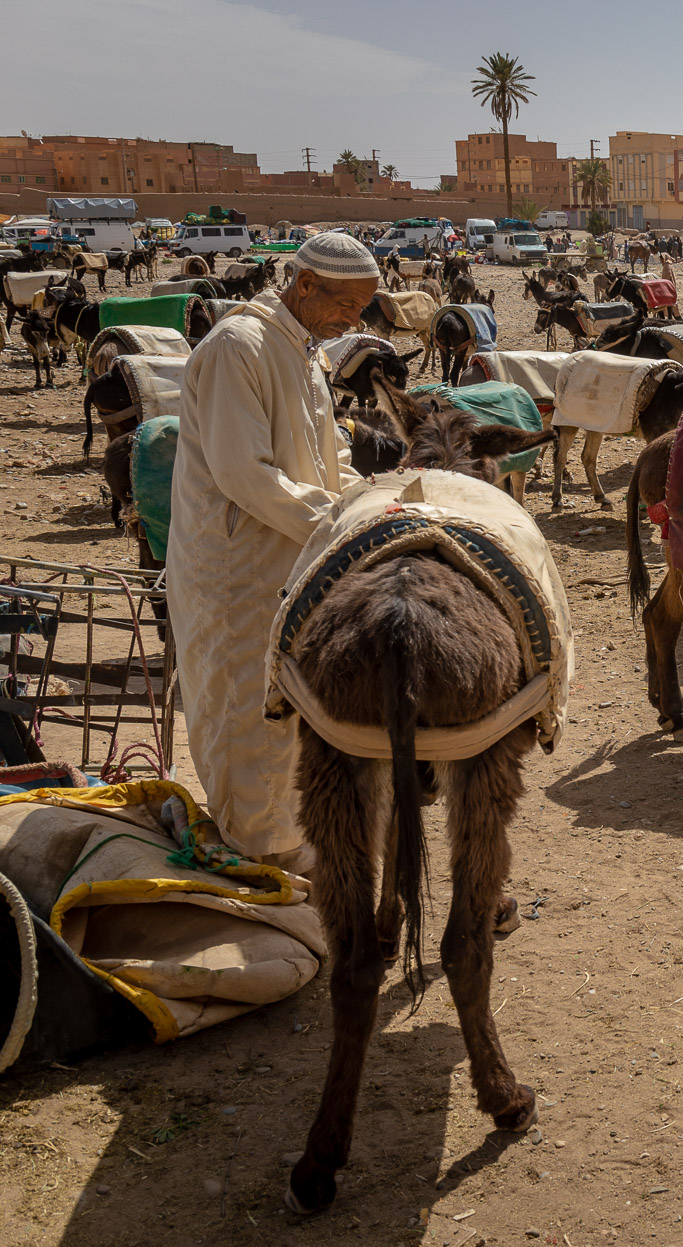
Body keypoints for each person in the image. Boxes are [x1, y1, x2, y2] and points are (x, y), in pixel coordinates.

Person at [166, 232, 380, 875]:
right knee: (243, 705)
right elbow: (244, 472)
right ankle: (256, 848)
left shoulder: (303, 350)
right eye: (347, 304)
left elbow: (327, 454)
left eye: (363, 307)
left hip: (288, 558)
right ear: (305, 286)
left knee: (287, 704)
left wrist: (366, 503)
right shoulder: (240, 346)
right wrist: (333, 524)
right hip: (236, 566)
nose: (356, 320)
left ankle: (281, 838)